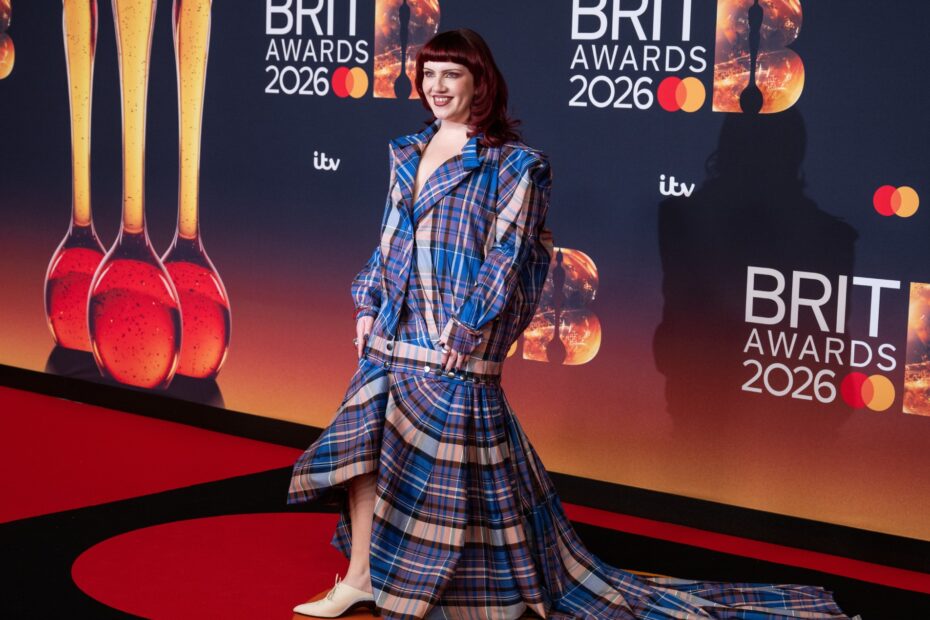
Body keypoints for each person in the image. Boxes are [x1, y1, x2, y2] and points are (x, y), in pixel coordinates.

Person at [287, 28, 855, 620]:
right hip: (392, 331)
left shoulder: (517, 165)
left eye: (451, 74)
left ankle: (493, 583)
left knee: (465, 476)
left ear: (480, 82)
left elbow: (508, 256)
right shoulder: (405, 151)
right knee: (365, 451)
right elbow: (388, 240)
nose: (437, 86)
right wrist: (367, 302)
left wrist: (468, 327)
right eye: (429, 74)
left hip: (454, 341)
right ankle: (360, 578)